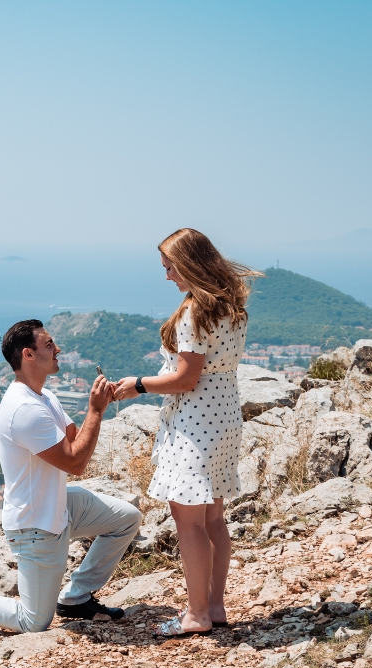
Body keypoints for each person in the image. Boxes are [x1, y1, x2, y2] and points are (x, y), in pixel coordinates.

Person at [0, 319, 142, 639]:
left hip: (60, 506)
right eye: (49, 345)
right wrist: (95, 411)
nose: (58, 349)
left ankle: (77, 597)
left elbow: (72, 441)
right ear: (28, 354)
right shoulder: (23, 408)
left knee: (126, 518)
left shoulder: (45, 397)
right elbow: (76, 462)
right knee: (34, 621)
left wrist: (100, 405)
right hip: (36, 526)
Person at [113, 228, 259, 637]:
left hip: (196, 422)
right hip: (226, 415)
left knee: (189, 521)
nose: (167, 276)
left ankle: (195, 615)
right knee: (213, 516)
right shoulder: (232, 306)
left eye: (169, 266)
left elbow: (186, 378)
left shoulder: (196, 311)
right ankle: (214, 606)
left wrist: (137, 385)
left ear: (189, 263)